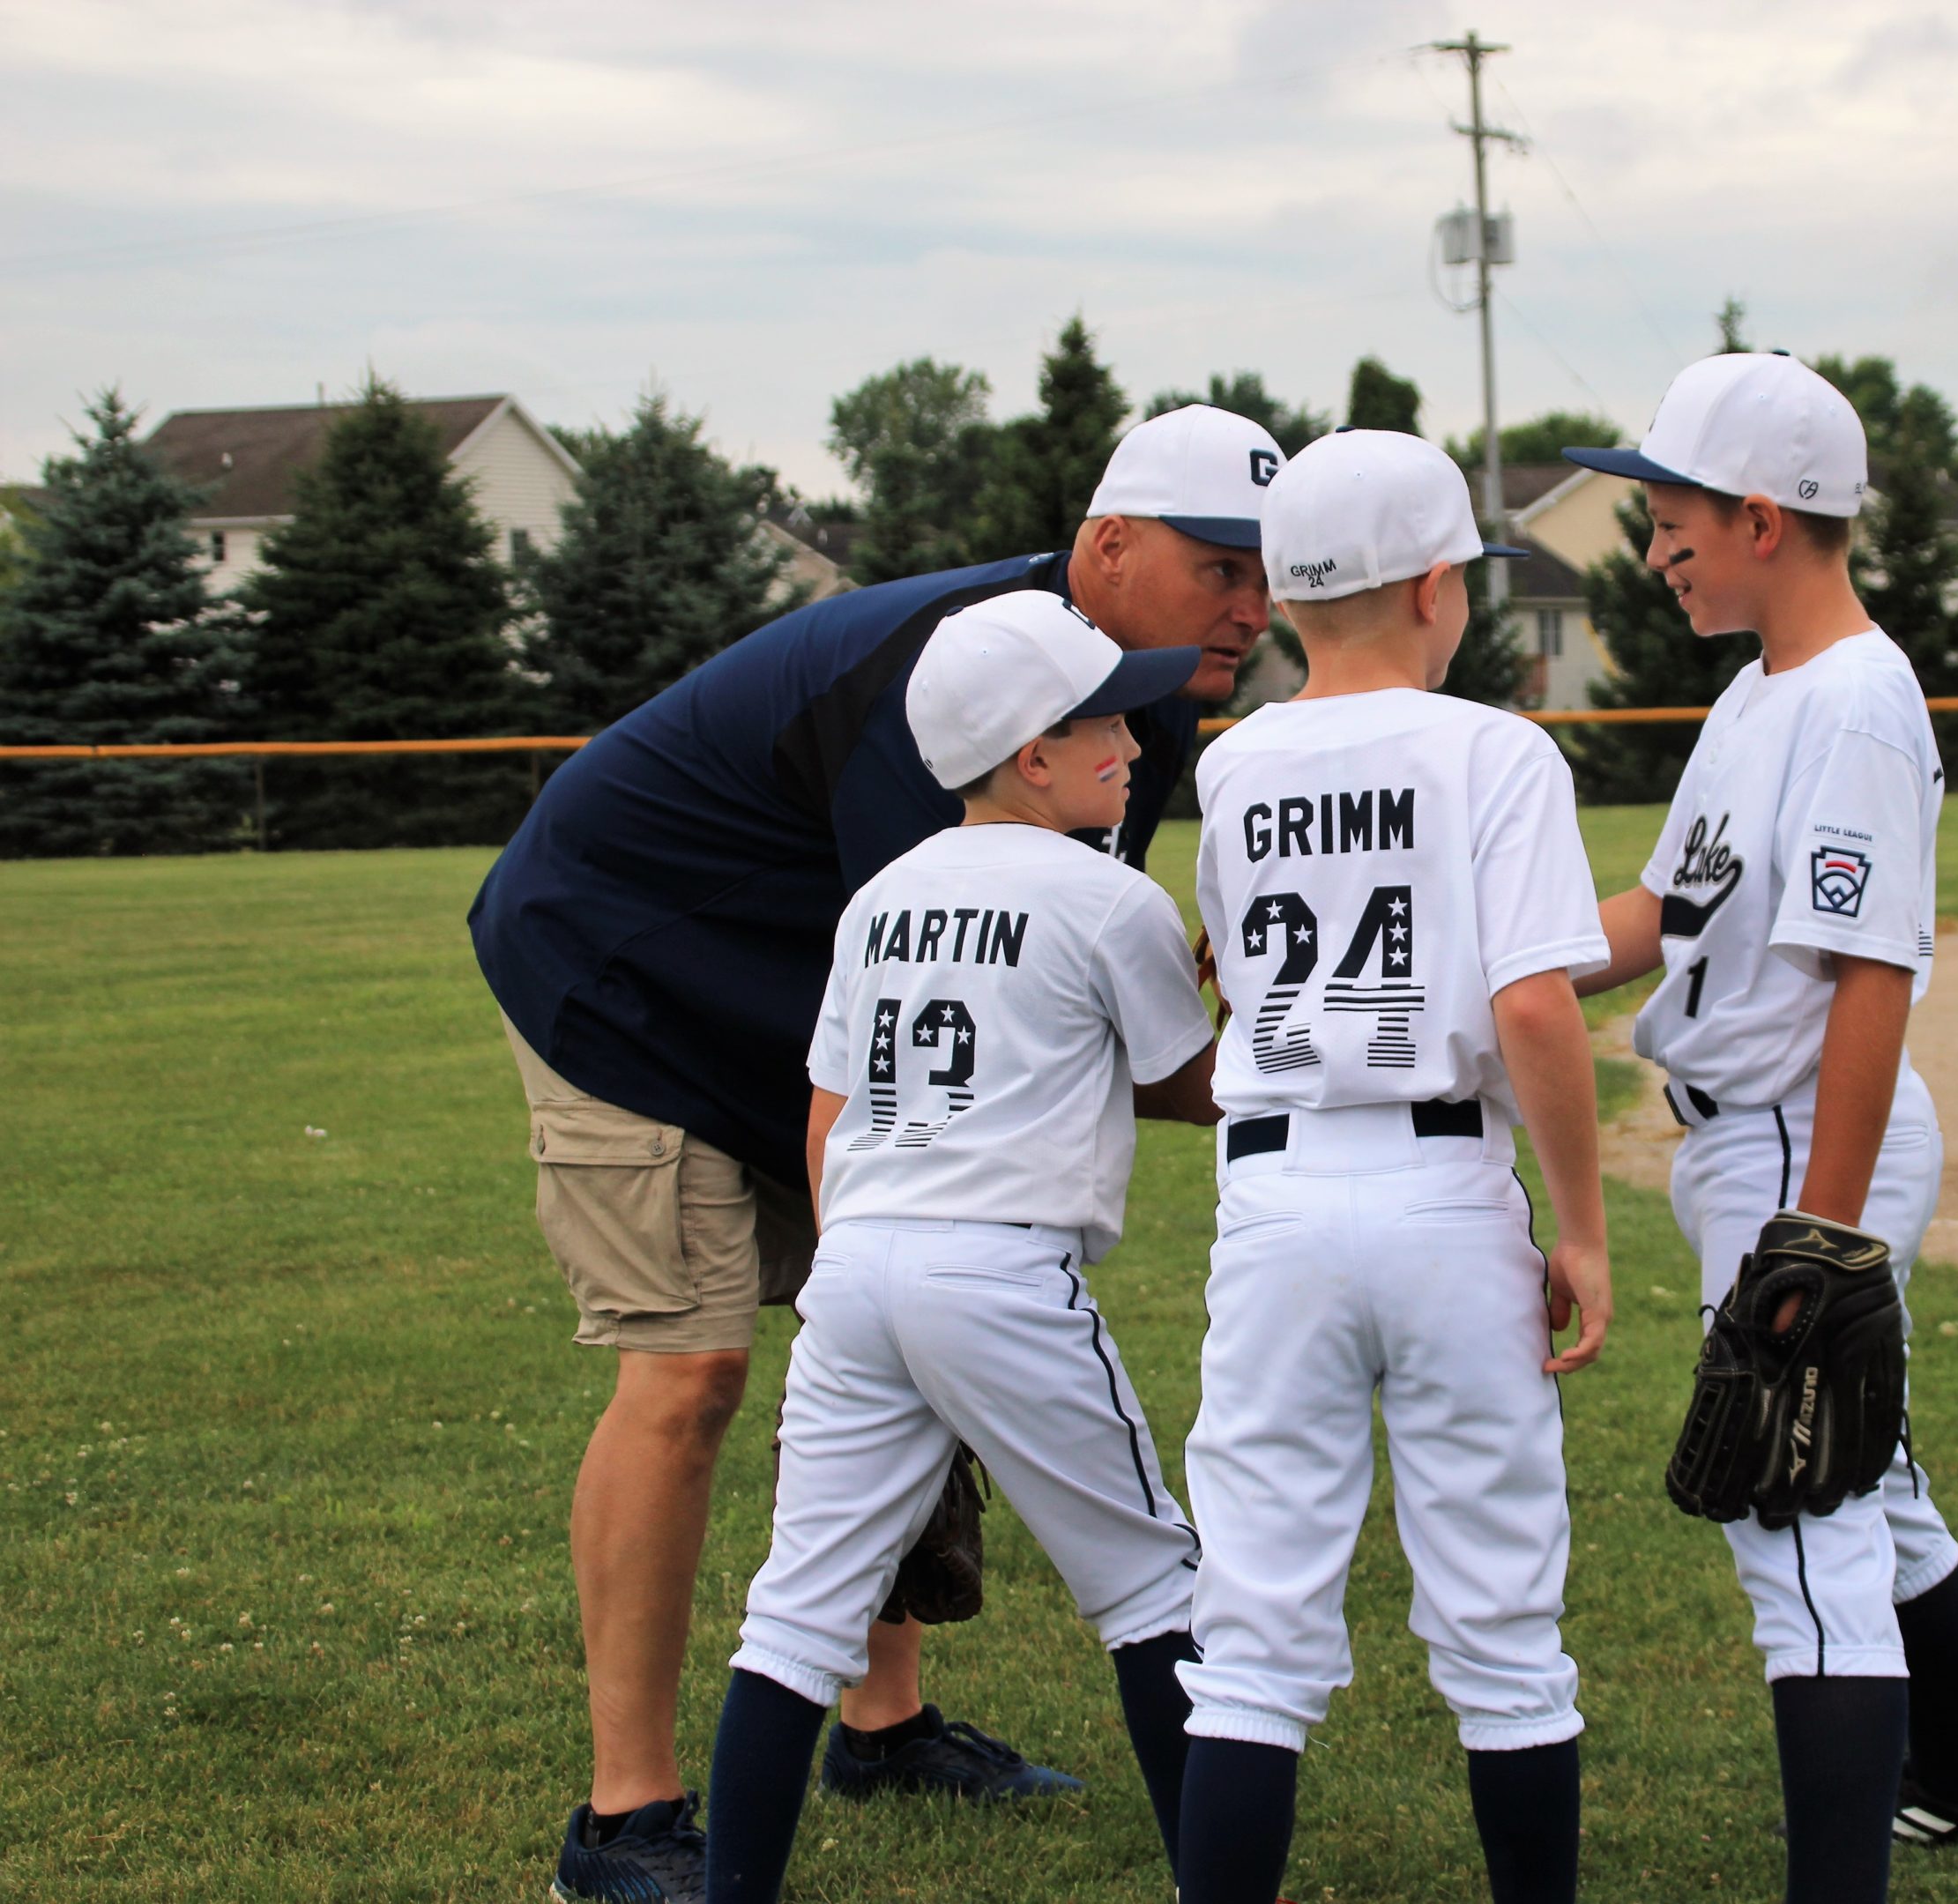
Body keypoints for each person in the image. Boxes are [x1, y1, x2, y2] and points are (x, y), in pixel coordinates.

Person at [465, 405, 1282, 1901]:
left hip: (824, 1010)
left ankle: (881, 1721)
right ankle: (627, 1817)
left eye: (1272, 571)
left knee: (892, 1320)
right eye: (1220, 565)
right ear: (1107, 547)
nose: (1254, 605)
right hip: (624, 965)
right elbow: (1027, 1004)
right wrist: (1347, 1073)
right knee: (690, 1363)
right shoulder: (961, 677)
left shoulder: (1125, 696)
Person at [1564, 355, 1958, 1903]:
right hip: (1753, 1137)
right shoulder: (1760, 692)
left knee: (1799, 1521)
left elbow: (1874, 976)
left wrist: (1819, 1239)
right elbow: (1654, 915)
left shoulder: (1854, 706)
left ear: (1761, 516)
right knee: (1870, 1484)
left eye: (1672, 516)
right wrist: (1481, 959)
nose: (1656, 550)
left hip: (1796, 1140)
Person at [703, 589, 1223, 1903]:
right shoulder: (1104, 896)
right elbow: (1194, 1082)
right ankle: (1228, 1882)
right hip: (996, 1270)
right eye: (1100, 719)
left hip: (860, 1258)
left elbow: (830, 1108)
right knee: (1155, 1586)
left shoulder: (882, 893)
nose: (1133, 740)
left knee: (795, 1612)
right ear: (1027, 757)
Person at [1172, 428, 1615, 1904]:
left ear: (1292, 600)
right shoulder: (1496, 749)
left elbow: (1241, 972)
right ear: (1439, 589)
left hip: (1277, 1193)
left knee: (1253, 1631)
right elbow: (1534, 1001)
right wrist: (1586, 1228)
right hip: (1441, 1190)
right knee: (1501, 1621)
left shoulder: (1234, 766)